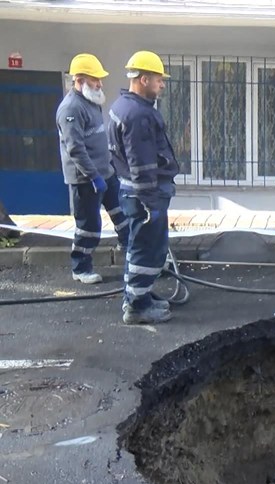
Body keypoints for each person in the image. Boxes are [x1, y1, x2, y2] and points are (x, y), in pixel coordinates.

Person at [107, 51, 179, 325]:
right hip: (145, 194)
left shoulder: (127, 107)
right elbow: (141, 164)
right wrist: (150, 202)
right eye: (159, 80)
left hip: (138, 192)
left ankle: (141, 296)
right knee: (146, 248)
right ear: (144, 79)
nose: (162, 85)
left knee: (141, 246)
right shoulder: (137, 115)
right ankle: (137, 307)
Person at [56, 53, 130, 284]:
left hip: (105, 173)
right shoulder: (70, 109)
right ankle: (81, 267)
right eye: (94, 79)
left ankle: (133, 257)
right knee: (88, 226)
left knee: (123, 215)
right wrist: (93, 176)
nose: (99, 83)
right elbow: (75, 149)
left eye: (99, 79)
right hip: (85, 179)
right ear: (78, 80)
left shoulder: (92, 102)